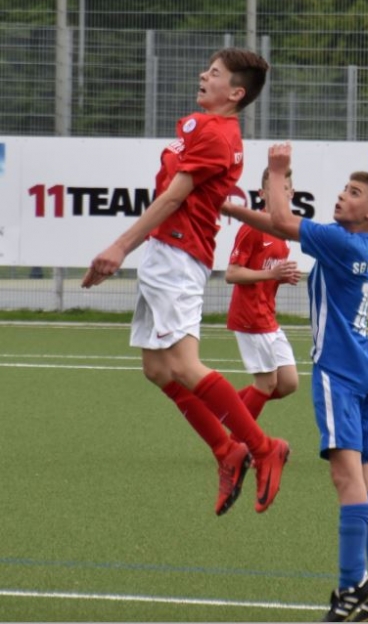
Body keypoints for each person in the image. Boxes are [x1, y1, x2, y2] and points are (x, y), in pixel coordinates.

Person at [82, 48, 290, 517]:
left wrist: (119, 247)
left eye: (214, 73)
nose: (203, 75)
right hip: (166, 253)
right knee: (158, 369)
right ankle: (227, 450)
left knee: (183, 364)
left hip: (177, 255)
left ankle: (263, 449)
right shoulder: (208, 128)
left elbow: (173, 198)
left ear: (235, 93)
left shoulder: (215, 133)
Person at [224, 142, 368, 622]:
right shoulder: (357, 242)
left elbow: (282, 220)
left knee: (346, 479)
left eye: (353, 193)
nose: (342, 195)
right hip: (366, 368)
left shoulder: (342, 242)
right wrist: (231, 208)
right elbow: (274, 223)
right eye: (344, 188)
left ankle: (352, 586)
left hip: (339, 372)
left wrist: (277, 170)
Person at [225, 166, 300, 423]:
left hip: (267, 314)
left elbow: (269, 273)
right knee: (266, 383)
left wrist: (282, 276)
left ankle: (222, 410)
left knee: (288, 383)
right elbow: (232, 273)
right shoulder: (253, 227)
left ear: (291, 193)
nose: (280, 193)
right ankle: (240, 439)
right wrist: (272, 274)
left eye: (284, 189)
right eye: (274, 189)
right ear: (262, 193)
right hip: (250, 315)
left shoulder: (285, 230)